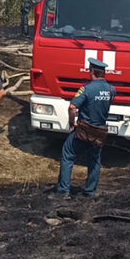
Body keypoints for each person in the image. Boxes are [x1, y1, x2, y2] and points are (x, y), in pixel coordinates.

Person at [51, 57, 115, 199]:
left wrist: (71, 121)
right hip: (101, 131)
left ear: (91, 71)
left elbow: (73, 107)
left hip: (85, 129)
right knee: (95, 160)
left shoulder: (86, 89)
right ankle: (90, 191)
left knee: (68, 154)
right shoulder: (111, 89)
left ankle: (63, 191)